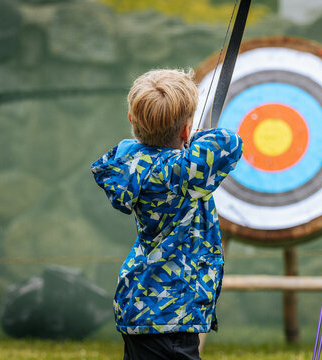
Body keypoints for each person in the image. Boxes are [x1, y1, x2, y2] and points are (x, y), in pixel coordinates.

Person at [91, 69, 243, 360]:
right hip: (170, 313)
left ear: (131, 121)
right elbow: (228, 143)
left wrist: (189, 137)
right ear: (186, 131)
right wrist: (198, 138)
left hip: (139, 304)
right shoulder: (182, 172)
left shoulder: (131, 163)